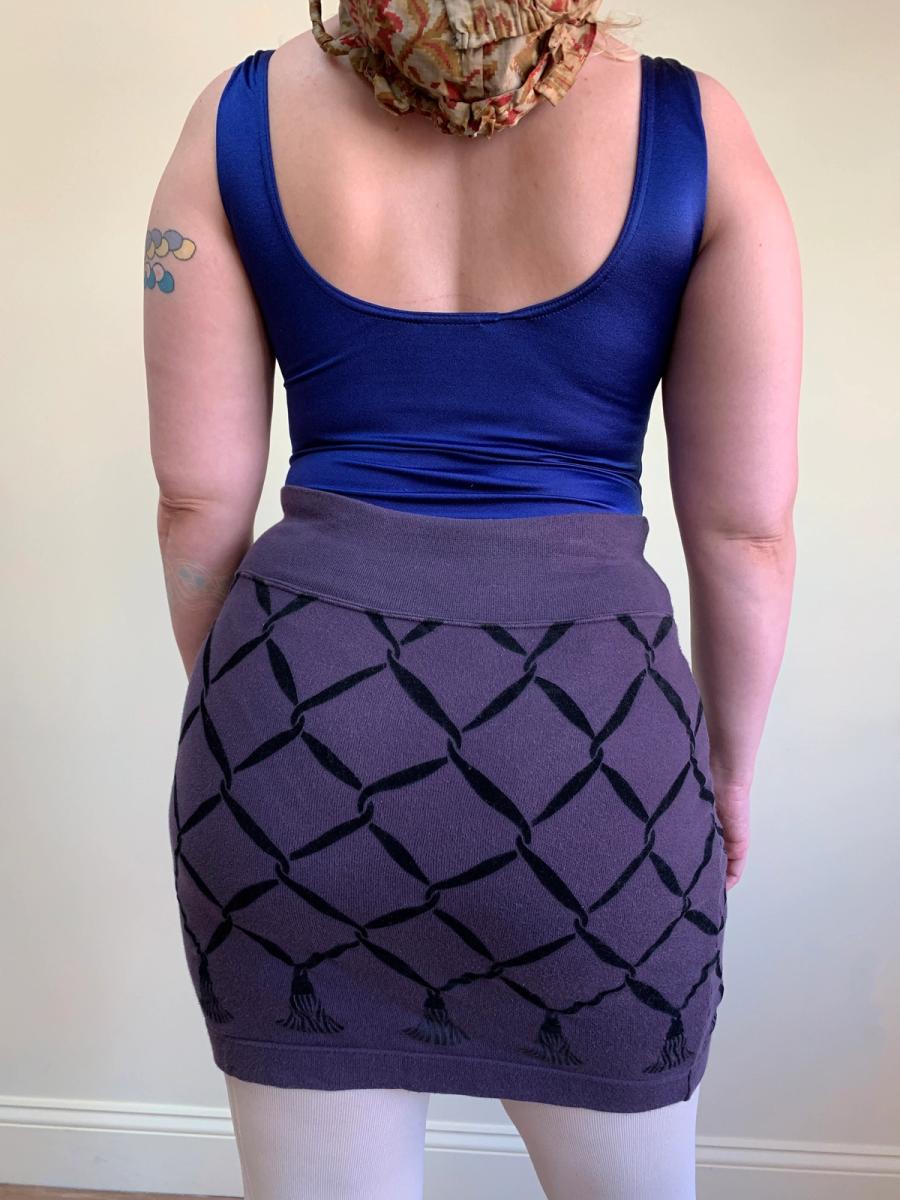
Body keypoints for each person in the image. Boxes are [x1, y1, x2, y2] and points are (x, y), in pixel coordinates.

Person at [143, 0, 800, 1193]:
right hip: (598, 771)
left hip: (294, 750)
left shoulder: (236, 116)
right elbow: (745, 534)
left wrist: (264, 724)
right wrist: (727, 772)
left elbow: (196, 509)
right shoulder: (693, 127)